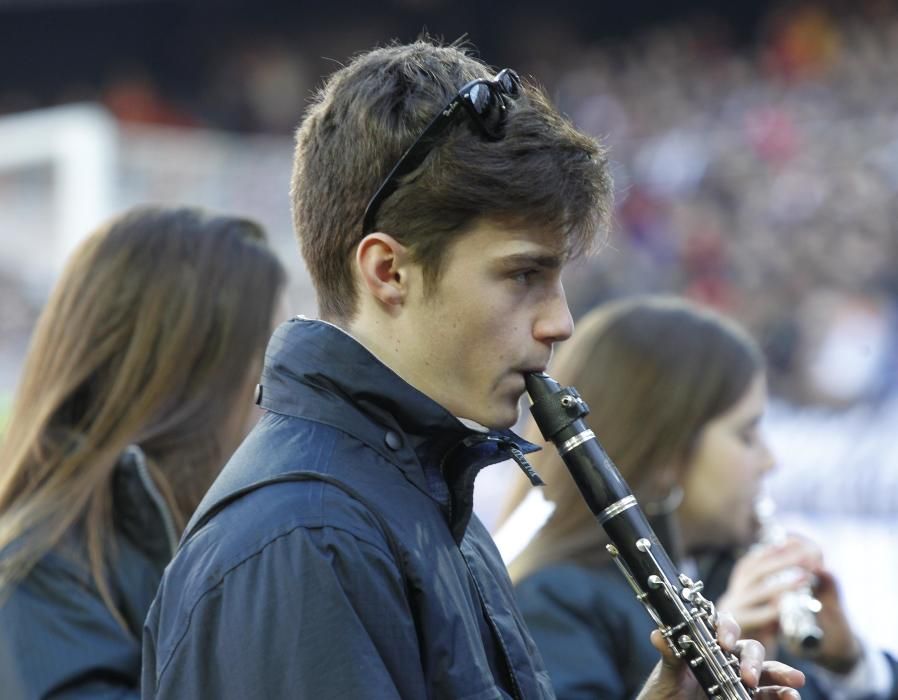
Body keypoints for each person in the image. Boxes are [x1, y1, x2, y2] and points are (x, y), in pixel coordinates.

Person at [141, 41, 803, 699]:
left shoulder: (423, 501)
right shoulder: (308, 540)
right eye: (524, 274)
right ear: (388, 272)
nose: (560, 322)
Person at [500, 295, 895, 699]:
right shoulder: (555, 603)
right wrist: (713, 660)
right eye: (747, 434)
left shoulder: (728, 574)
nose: (770, 461)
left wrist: (854, 666)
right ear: (667, 454)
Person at [0, 205, 286, 698]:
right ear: (192, 384)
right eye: (269, 361)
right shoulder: (40, 572)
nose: (285, 395)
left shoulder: (215, 536)